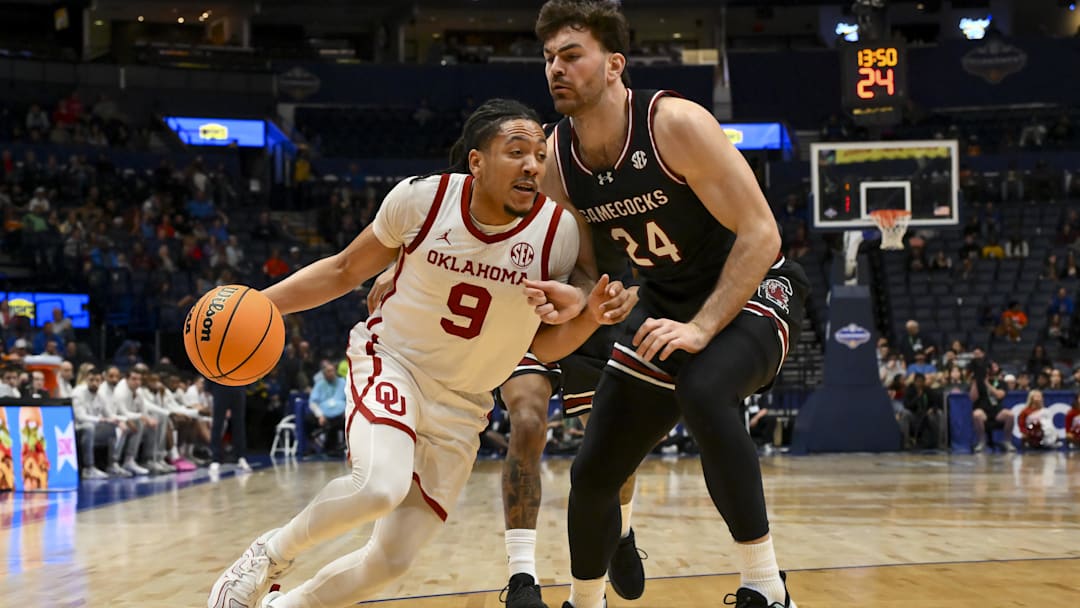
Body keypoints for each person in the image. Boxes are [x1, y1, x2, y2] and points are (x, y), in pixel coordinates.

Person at [207, 98, 631, 608]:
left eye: (540, 155)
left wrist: (585, 315)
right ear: (476, 162)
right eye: (516, 151)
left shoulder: (556, 233)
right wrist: (259, 305)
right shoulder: (422, 200)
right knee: (377, 487)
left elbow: (539, 346)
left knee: (391, 562)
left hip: (465, 403)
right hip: (396, 362)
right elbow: (344, 270)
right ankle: (265, 557)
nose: (532, 166)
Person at [525, 3, 808, 606]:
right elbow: (589, 270)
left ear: (614, 65)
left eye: (572, 55)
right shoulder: (557, 161)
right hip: (667, 303)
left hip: (755, 291)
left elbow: (762, 233)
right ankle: (585, 599)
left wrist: (703, 327)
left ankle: (765, 584)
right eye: (548, 57)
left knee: (704, 389)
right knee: (593, 471)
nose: (556, 68)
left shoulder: (674, 123)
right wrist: (576, 298)